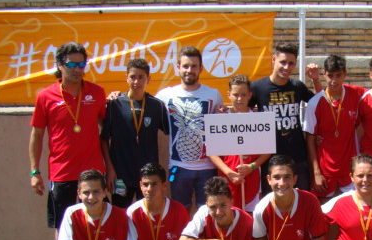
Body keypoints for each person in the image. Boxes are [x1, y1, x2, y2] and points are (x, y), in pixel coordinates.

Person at [29, 42, 107, 234]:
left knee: (96, 221)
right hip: (61, 172)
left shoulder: (97, 92)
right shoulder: (45, 96)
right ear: (59, 65)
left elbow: (107, 132)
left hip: (93, 171)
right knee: (62, 224)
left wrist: (111, 168)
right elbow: (37, 135)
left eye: (81, 65)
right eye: (72, 65)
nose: (77, 70)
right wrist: (34, 172)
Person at [155, 46, 223, 213]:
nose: (189, 70)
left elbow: (222, 127)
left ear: (201, 68)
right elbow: (142, 103)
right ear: (178, 67)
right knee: (180, 211)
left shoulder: (213, 95)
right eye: (185, 66)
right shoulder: (165, 95)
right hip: (178, 167)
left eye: (194, 66)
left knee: (207, 212)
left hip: (207, 167)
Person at [249, 42, 322, 192]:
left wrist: (315, 79)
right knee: (272, 203)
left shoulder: (297, 86)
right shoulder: (258, 87)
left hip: (297, 156)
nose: (287, 67)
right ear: (273, 60)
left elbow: (320, 103)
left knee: (301, 200)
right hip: (269, 158)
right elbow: (243, 112)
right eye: (283, 62)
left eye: (291, 63)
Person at [101, 58, 169, 208]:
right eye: (132, 77)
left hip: (147, 175)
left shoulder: (157, 105)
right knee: (120, 212)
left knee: (145, 213)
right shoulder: (114, 104)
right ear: (126, 78)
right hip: (121, 173)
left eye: (141, 77)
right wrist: (110, 169)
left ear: (148, 79)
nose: (136, 81)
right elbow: (104, 139)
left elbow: (172, 130)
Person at [303, 55, 365, 200]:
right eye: (330, 75)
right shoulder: (314, 102)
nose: (334, 80)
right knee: (324, 211)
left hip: (350, 166)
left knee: (351, 209)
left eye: (338, 75)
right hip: (325, 168)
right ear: (324, 74)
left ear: (345, 74)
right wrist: (316, 173)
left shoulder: (356, 94)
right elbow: (310, 139)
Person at [209, 74, 270, 212]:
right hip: (227, 178)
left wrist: (253, 166)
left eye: (243, 95)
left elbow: (268, 150)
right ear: (229, 94)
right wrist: (229, 173)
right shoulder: (220, 118)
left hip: (252, 179)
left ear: (250, 95)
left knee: (250, 220)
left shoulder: (258, 119)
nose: (239, 99)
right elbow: (212, 153)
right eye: (236, 95)